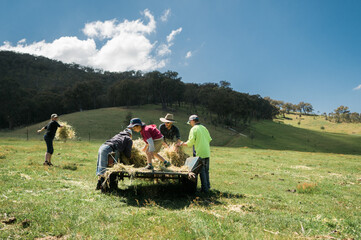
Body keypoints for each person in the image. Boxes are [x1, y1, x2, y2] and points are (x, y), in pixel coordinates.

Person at [178, 115, 212, 193]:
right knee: (206, 171)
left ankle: (205, 190)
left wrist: (181, 143)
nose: (190, 123)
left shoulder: (194, 129)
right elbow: (209, 139)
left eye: (190, 122)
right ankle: (208, 186)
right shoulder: (204, 128)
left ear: (193, 121)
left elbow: (190, 143)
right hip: (206, 152)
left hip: (199, 153)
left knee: (201, 171)